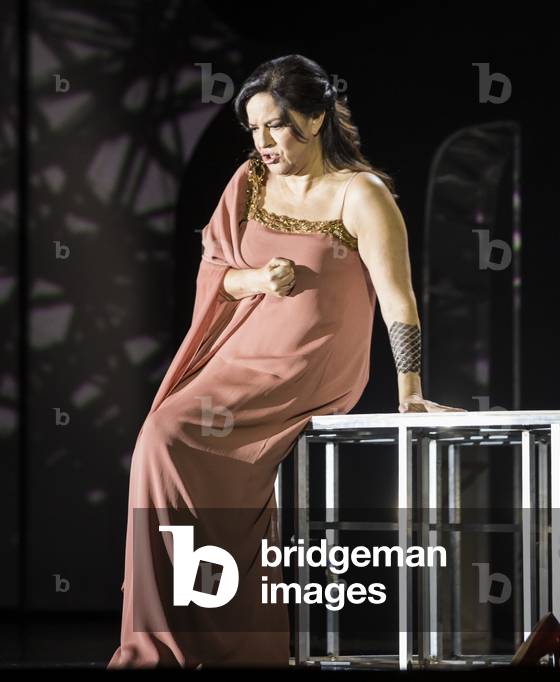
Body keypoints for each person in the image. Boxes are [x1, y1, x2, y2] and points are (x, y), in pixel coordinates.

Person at [107, 55, 464, 669]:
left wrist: (409, 390)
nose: (263, 142)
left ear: (317, 116)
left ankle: (203, 642)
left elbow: (398, 299)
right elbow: (219, 275)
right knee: (158, 443)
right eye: (253, 129)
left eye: (275, 126)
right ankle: (168, 639)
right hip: (238, 354)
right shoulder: (248, 180)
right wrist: (259, 278)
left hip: (309, 365)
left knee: (170, 435)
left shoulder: (361, 194)